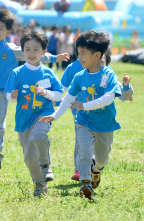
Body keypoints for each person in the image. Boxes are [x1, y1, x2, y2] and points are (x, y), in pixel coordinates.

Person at [0, 8, 69, 176]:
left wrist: (54, 58)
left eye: (1, 28)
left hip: (1, 93)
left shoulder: (12, 49)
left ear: (8, 31)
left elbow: (34, 54)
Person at [41, 31, 122, 201]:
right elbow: (68, 98)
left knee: (100, 158)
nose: (79, 57)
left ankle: (96, 171)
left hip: (105, 123)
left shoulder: (108, 75)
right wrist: (55, 115)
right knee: (84, 150)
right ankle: (86, 182)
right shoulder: (79, 76)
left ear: (97, 55)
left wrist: (85, 105)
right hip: (84, 121)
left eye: (83, 53)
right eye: (78, 52)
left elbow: (108, 98)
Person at [5, 30, 64, 197]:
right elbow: (8, 94)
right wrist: (12, 96)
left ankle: (45, 165)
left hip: (43, 113)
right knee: (29, 157)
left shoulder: (48, 73)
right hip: (23, 118)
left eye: (36, 49)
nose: (31, 53)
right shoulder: (17, 73)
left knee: (39, 135)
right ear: (23, 51)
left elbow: (59, 94)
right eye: (28, 49)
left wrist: (47, 93)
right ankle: (40, 183)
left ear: (44, 51)